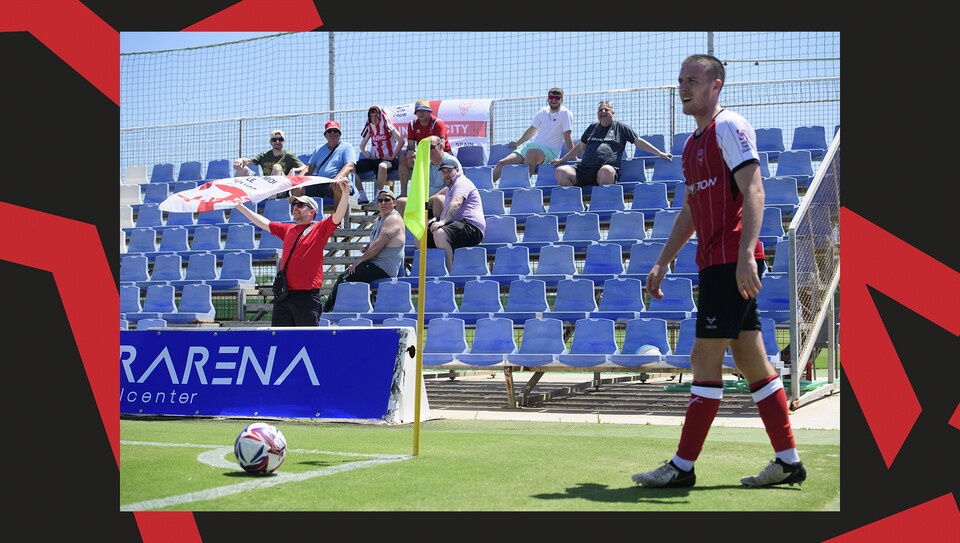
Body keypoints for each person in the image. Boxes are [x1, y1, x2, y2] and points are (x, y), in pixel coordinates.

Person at [632, 54, 805, 489]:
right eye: (680, 81)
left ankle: (682, 467)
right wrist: (663, 259)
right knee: (754, 362)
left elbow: (755, 188)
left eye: (692, 79)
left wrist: (748, 253)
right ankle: (787, 461)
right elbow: (691, 208)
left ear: (717, 85)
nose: (683, 87)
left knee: (702, 359)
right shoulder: (692, 145)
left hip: (732, 259)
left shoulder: (729, 127)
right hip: (714, 261)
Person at [232, 178, 351, 326]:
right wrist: (240, 206)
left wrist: (345, 193)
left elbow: (338, 215)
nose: (295, 207)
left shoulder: (319, 228)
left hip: (306, 297)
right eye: (294, 205)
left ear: (312, 211)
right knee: (281, 340)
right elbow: (263, 222)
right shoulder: (288, 229)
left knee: (307, 341)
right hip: (284, 296)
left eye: (300, 205)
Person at [322, 187, 405, 313]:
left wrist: (359, 261)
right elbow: (376, 243)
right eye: (380, 200)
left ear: (394, 203)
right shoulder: (379, 219)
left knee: (344, 277)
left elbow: (378, 245)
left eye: (387, 200)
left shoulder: (393, 219)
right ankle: (348, 310)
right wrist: (367, 247)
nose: (383, 203)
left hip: (384, 267)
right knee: (349, 276)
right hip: (375, 264)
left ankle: (327, 309)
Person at [551, 101, 671, 187]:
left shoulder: (621, 127)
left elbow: (639, 142)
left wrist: (660, 154)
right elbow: (580, 147)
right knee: (561, 172)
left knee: (607, 171)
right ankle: (578, 205)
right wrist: (562, 160)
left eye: (606, 110)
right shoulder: (593, 127)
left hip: (605, 170)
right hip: (585, 169)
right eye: (600, 110)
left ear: (612, 113)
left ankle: (599, 205)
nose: (603, 111)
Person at [492, 88, 575, 182]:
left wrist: (574, 156)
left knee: (531, 154)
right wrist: (517, 143)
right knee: (502, 162)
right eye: (551, 97)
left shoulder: (565, 113)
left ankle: (523, 187)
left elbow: (567, 136)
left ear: (562, 100)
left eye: (557, 97)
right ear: (548, 99)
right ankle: (482, 191)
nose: (554, 100)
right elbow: (531, 131)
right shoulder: (543, 112)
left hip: (550, 152)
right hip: (532, 148)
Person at [426, 156, 485, 271]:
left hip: (471, 227)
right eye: (443, 172)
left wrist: (442, 221)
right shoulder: (449, 188)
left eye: (449, 171)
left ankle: (448, 273)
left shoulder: (461, 182)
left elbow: (457, 202)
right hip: (455, 226)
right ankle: (429, 270)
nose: (446, 174)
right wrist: (436, 220)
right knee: (420, 237)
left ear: (457, 170)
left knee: (440, 233)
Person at [290, 120, 357, 215]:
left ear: (340, 134)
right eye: (330, 131)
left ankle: (336, 219)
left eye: (335, 131)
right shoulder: (319, 149)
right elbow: (309, 168)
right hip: (320, 183)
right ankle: (301, 217)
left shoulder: (347, 147)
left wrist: (336, 178)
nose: (333, 133)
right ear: (325, 135)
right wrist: (298, 180)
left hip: (337, 184)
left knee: (338, 184)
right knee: (297, 188)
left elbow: (350, 166)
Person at [395, 135, 461, 218]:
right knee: (400, 202)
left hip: (445, 201)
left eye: (432, 147)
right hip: (426, 201)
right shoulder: (425, 162)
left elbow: (454, 184)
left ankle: (438, 228)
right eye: (426, 148)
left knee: (438, 199)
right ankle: (403, 230)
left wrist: (431, 199)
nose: (429, 151)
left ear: (440, 147)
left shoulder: (450, 161)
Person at [397, 100, 450, 198]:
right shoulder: (412, 124)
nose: (421, 113)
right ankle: (404, 193)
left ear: (429, 112)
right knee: (404, 157)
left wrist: (419, 154)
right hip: (424, 154)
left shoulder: (437, 123)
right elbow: (411, 146)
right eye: (418, 111)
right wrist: (410, 154)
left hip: (441, 153)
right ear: (415, 113)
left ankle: (437, 193)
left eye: (424, 110)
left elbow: (441, 145)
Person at [355, 105, 405, 201]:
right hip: (376, 159)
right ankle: (362, 195)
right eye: (371, 116)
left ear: (379, 115)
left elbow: (401, 141)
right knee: (352, 168)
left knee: (382, 166)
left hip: (389, 160)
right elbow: (362, 146)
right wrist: (368, 156)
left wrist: (392, 156)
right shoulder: (370, 127)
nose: (374, 118)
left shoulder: (387, 125)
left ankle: (378, 196)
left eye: (375, 116)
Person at [233, 129, 304, 177]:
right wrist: (239, 160)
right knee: (242, 168)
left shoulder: (289, 155)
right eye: (274, 140)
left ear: (284, 141)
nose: (277, 142)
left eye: (280, 139)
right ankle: (235, 196)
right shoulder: (264, 155)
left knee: (277, 167)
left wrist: (294, 170)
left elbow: (304, 167)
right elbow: (248, 161)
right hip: (265, 185)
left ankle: (274, 195)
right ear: (270, 142)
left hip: (281, 187)